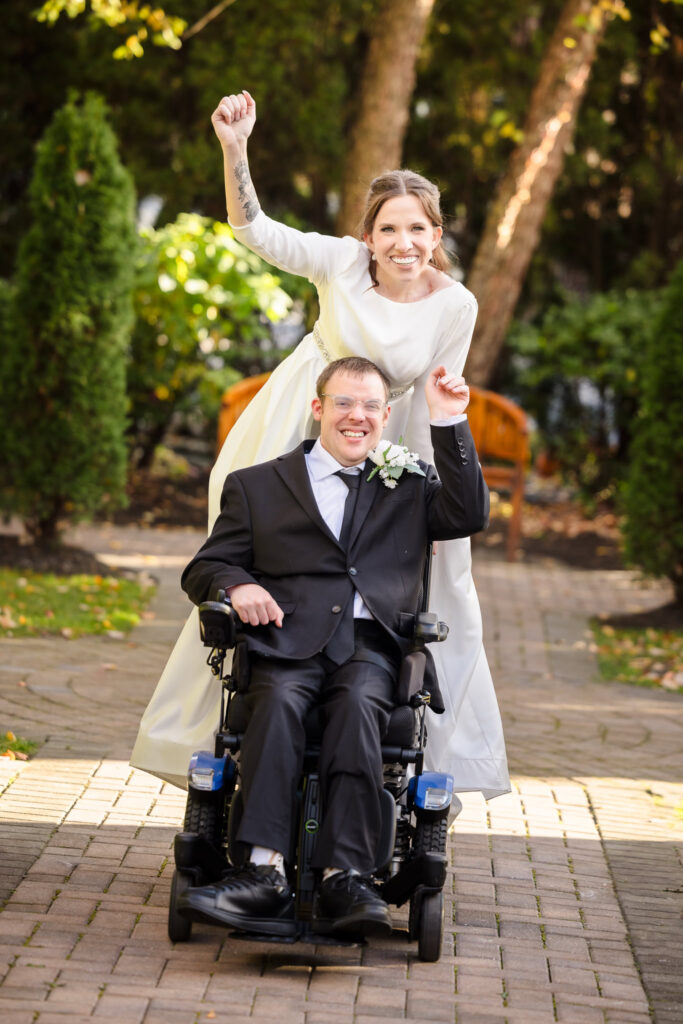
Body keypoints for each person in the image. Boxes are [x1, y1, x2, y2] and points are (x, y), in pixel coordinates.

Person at [130, 89, 510, 800]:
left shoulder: (455, 304)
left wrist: (428, 503)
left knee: (434, 574)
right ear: (368, 235)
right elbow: (256, 230)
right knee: (262, 542)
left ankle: (385, 718)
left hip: (386, 431)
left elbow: (434, 400)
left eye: (418, 229)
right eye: (389, 228)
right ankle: (257, 682)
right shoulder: (337, 263)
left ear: (436, 234)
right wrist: (234, 149)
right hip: (302, 414)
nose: (403, 243)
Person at [178, 356, 489, 938]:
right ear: (318, 408)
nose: (358, 416)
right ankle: (262, 872)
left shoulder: (411, 481)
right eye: (344, 402)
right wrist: (239, 585)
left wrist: (450, 422)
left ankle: (346, 874)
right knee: (277, 706)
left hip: (371, 648)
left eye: (371, 406)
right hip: (284, 645)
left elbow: (469, 513)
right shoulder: (259, 486)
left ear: (386, 415)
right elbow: (207, 565)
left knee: (357, 708)